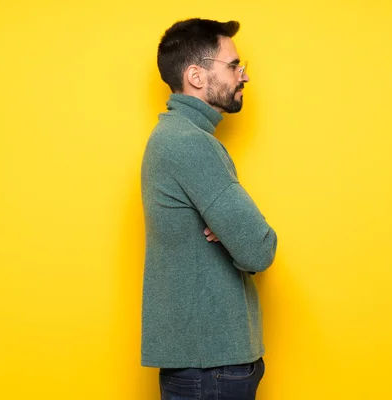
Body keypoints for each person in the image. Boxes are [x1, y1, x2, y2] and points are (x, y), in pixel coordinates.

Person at [140, 18, 278, 400]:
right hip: (212, 368)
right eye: (233, 65)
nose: (244, 75)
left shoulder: (177, 136)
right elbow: (259, 248)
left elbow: (246, 244)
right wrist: (237, 236)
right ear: (196, 76)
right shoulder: (190, 143)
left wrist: (233, 234)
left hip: (207, 365)